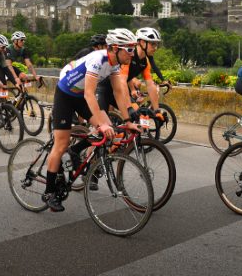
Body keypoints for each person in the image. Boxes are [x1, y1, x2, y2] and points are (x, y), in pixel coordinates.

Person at [43, 28, 140, 212]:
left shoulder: (114, 64)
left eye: (133, 48)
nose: (132, 53)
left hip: (80, 96)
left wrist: (127, 119)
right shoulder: (98, 59)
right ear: (115, 48)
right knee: (61, 143)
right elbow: (90, 94)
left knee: (109, 131)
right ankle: (49, 192)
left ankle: (76, 150)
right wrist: (101, 123)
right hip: (65, 94)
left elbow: (119, 91)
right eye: (129, 49)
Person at [97, 27, 163, 120]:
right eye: (153, 44)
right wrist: (128, 107)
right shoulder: (128, 55)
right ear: (143, 43)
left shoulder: (145, 62)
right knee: (101, 126)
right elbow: (122, 82)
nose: (155, 48)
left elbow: (150, 85)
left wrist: (157, 111)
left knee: (137, 116)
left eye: (157, 45)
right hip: (104, 89)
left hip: (117, 90)